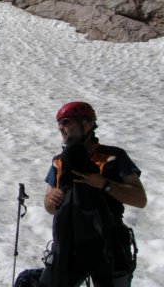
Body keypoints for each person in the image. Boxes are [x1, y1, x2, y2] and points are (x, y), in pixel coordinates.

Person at [40, 102, 147, 287]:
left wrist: (105, 185)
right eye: (59, 123)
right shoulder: (59, 162)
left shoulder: (113, 157)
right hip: (69, 244)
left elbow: (139, 199)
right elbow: (49, 207)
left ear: (86, 123)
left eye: (65, 122)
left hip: (109, 244)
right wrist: (51, 199)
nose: (60, 128)